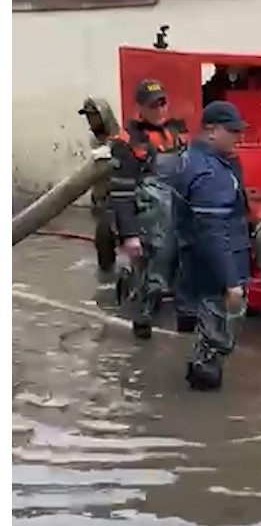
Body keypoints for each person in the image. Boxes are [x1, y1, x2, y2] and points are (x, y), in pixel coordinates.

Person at [172, 101, 250, 391]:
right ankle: (202, 396)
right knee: (216, 337)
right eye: (233, 131)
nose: (238, 137)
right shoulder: (209, 173)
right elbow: (213, 232)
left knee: (208, 330)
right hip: (216, 269)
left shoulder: (194, 159)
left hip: (198, 262)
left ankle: (198, 382)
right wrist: (232, 282)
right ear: (212, 130)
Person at [108, 79, 192, 339]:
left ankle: (186, 320)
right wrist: (129, 235)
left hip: (178, 212)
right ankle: (142, 319)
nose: (160, 110)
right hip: (149, 221)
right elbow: (121, 193)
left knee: (185, 266)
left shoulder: (176, 134)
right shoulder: (127, 142)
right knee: (152, 276)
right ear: (140, 108)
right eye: (153, 105)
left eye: (163, 103)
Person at [78, 98, 119, 280]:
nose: (90, 121)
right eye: (88, 117)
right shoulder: (94, 139)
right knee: (103, 242)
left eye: (94, 116)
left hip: (120, 197)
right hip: (101, 197)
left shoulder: (120, 137)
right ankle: (107, 277)